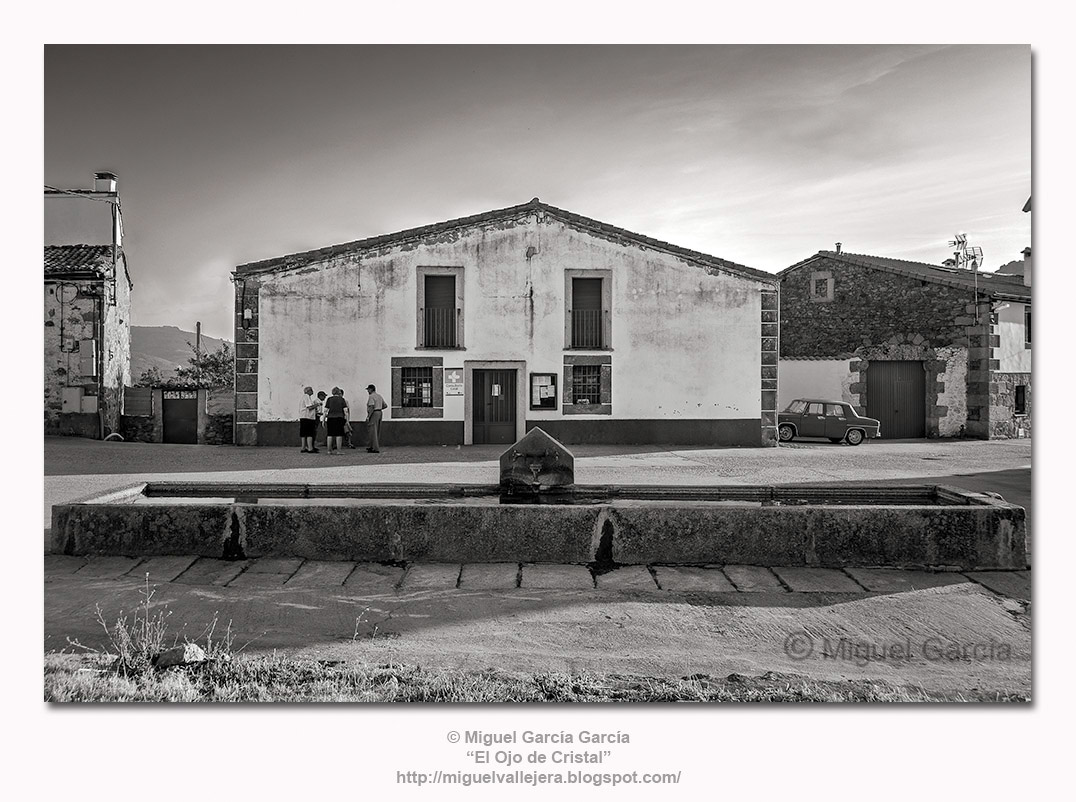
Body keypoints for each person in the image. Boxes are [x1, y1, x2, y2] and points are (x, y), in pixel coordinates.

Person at [322, 386, 350, 455]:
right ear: (339, 392)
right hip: (339, 418)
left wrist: (323, 420)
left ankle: (329, 450)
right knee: (339, 435)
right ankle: (339, 451)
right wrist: (347, 420)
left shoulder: (329, 399)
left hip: (330, 418)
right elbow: (345, 411)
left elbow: (325, 410)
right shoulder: (342, 399)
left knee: (330, 434)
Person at [365, 383, 386, 453]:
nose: (368, 391)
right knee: (377, 430)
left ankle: (374, 448)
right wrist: (379, 407)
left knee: (372, 430)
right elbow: (385, 405)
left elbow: (371, 407)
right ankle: (372, 446)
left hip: (374, 413)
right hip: (379, 412)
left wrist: (368, 416)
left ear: (371, 389)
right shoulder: (379, 396)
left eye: (368, 390)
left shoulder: (371, 396)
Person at [298, 386, 319, 453]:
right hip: (308, 417)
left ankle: (303, 447)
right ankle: (310, 448)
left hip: (303, 417)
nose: (312, 391)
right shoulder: (307, 397)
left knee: (303, 433)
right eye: (311, 390)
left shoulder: (304, 397)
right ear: (308, 391)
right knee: (310, 433)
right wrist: (317, 405)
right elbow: (309, 407)